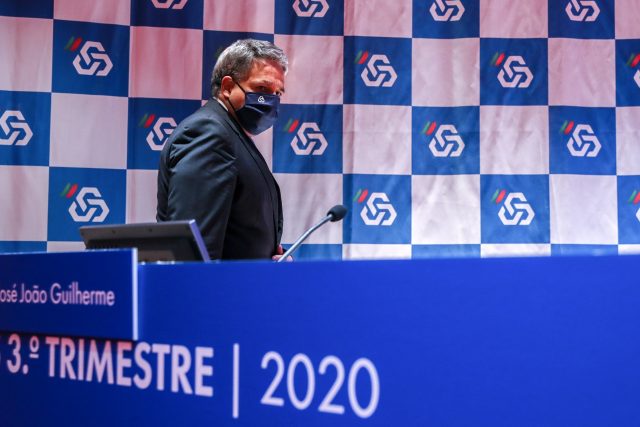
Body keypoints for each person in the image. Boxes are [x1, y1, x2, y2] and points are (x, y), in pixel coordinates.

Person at [156, 39, 288, 260]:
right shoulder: (209, 134)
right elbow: (194, 252)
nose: (270, 101)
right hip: (218, 284)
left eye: (278, 94)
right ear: (227, 87)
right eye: (262, 89)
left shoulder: (233, 135)